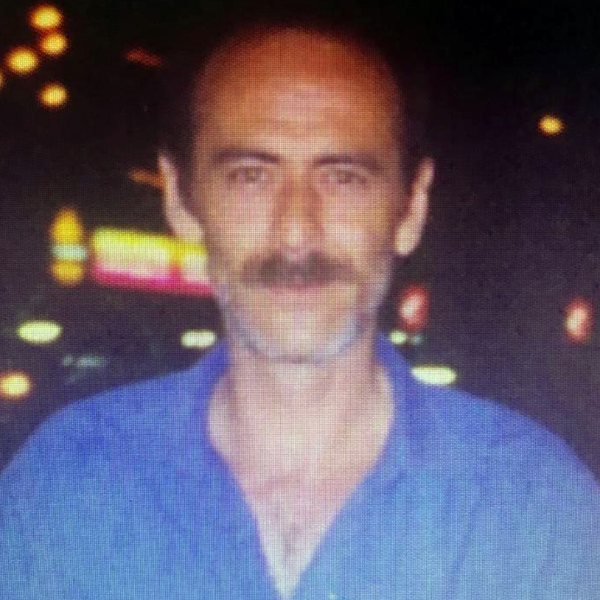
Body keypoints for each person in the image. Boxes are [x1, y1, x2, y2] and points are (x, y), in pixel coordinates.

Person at [1, 16, 599, 600]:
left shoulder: (533, 505)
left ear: (411, 207)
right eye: (250, 176)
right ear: (181, 198)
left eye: (343, 179)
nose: (295, 235)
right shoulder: (63, 485)